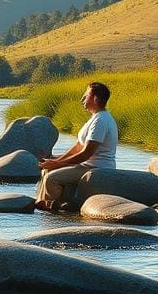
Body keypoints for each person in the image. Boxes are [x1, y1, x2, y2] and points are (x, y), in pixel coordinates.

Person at [35, 81, 117, 211]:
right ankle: (40, 203)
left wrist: (58, 164)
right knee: (47, 169)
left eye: (86, 95)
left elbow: (86, 153)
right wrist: (56, 160)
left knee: (52, 178)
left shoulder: (101, 120)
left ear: (95, 98)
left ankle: (50, 209)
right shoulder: (95, 118)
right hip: (87, 165)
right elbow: (78, 146)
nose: (82, 99)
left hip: (96, 168)